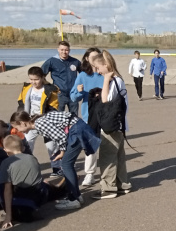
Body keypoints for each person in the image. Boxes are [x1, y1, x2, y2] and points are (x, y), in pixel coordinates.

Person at [10, 108, 101, 211]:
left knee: (66, 164)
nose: (17, 131)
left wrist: (62, 152)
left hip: (76, 130)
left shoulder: (39, 124)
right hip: (76, 128)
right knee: (67, 164)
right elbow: (59, 135)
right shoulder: (39, 122)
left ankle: (74, 199)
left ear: (22, 123)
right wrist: (62, 151)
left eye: (17, 128)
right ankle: (76, 196)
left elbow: (61, 137)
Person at [89, 50, 131, 199]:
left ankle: (108, 188)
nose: (97, 71)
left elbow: (105, 100)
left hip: (111, 126)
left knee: (108, 157)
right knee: (119, 156)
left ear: (106, 65)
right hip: (119, 125)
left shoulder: (114, 81)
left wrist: (106, 80)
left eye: (98, 67)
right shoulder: (119, 80)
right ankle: (122, 184)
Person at [16, 66, 61, 176]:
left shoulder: (50, 90)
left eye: (36, 79)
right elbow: (21, 103)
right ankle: (28, 168)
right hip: (29, 122)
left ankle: (56, 168)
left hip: (45, 122)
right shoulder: (26, 88)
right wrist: (22, 117)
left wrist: (42, 117)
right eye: (31, 79)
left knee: (51, 146)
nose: (33, 82)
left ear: (42, 78)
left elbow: (53, 108)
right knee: (27, 145)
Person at [0, 134, 49, 228]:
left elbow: (7, 190)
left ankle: (10, 212)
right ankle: (36, 205)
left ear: (6, 150)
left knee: (3, 184)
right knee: (43, 184)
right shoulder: (32, 158)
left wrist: (8, 216)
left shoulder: (6, 163)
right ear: (23, 148)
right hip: (38, 195)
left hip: (20, 194)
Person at [70, 47, 104, 188]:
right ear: (86, 59)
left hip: (105, 115)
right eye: (93, 57)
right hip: (88, 117)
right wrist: (79, 92)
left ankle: (107, 174)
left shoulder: (105, 74)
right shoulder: (83, 76)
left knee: (107, 147)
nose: (96, 60)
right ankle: (89, 174)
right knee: (91, 147)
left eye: (98, 57)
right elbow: (73, 97)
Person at [0, 115, 28, 206]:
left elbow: (27, 154)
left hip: (18, 167)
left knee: (23, 193)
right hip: (0, 169)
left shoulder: (16, 132)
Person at [41, 41, 81, 115]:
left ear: (69, 50)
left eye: (66, 50)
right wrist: (49, 86)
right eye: (62, 50)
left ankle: (72, 127)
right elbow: (41, 75)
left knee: (74, 117)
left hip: (73, 94)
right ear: (58, 49)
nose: (64, 52)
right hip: (59, 94)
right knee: (58, 117)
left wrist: (80, 86)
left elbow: (84, 74)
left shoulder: (75, 61)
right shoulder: (52, 61)